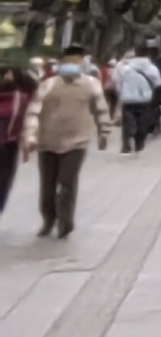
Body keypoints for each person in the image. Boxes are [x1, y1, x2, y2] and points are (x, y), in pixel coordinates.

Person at [24, 50, 99, 236]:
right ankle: (48, 219)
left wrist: (104, 131)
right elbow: (34, 111)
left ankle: (65, 221)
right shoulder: (47, 85)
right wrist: (31, 135)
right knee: (47, 184)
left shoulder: (91, 84)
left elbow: (101, 109)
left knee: (67, 182)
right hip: (47, 141)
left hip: (76, 142)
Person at [111, 49, 161, 154]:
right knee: (143, 123)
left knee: (127, 122)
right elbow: (158, 83)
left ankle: (126, 144)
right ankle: (139, 143)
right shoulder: (152, 68)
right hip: (145, 100)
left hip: (128, 99)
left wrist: (122, 91)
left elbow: (116, 80)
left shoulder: (124, 68)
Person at [0, 66, 30, 224]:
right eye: (5, 75)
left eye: (10, 75)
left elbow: (24, 123)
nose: (7, 78)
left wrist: (26, 143)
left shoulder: (21, 98)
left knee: (3, 181)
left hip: (8, 145)